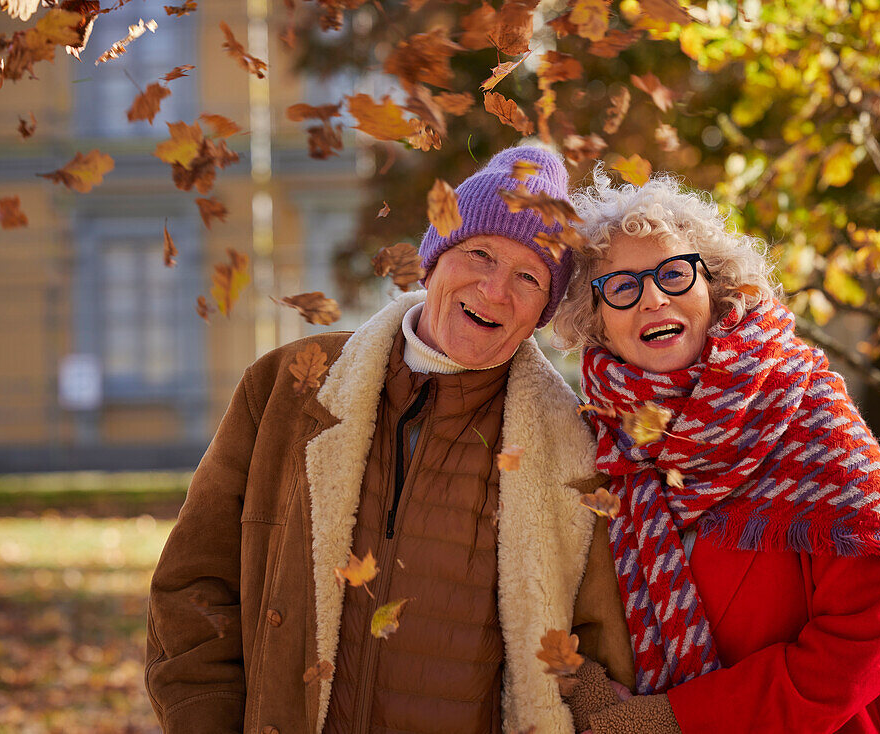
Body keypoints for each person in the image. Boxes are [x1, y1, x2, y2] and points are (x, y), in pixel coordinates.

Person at [145, 146, 622, 734]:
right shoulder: (291, 387)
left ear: (542, 312)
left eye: (529, 277)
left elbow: (596, 654)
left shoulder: (573, 450)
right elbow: (194, 587)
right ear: (434, 261)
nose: (496, 290)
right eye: (480, 254)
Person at [551, 167, 880, 733]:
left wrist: (676, 719)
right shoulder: (602, 443)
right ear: (595, 319)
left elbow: (870, 637)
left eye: (673, 273)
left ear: (713, 288)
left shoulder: (809, 415)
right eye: (620, 286)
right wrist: (583, 681)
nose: (651, 299)